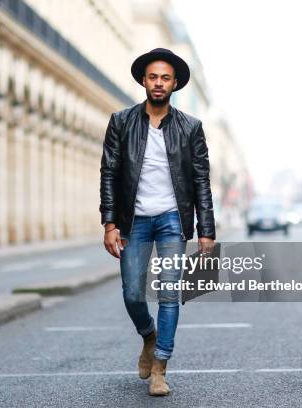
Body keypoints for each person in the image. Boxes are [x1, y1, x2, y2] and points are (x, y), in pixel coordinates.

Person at [99, 48, 216, 396]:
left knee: (168, 293)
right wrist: (109, 223)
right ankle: (149, 335)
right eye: (153, 77)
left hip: (171, 219)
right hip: (133, 220)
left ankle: (160, 367)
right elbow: (109, 172)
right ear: (143, 81)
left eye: (165, 77)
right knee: (133, 293)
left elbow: (200, 180)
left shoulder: (190, 127)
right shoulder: (121, 122)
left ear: (175, 83)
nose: (159, 83)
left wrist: (206, 230)